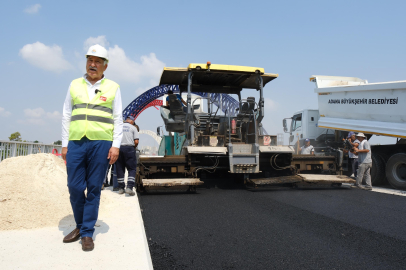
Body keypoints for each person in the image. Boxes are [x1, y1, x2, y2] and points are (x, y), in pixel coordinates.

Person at [61, 44, 123, 251]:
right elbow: (66, 115)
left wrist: (115, 146)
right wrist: (64, 144)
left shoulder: (113, 87)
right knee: (75, 186)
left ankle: (86, 232)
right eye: (90, 60)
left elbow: (118, 118)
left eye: (97, 62)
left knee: (94, 188)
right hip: (77, 142)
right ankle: (80, 225)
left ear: (105, 66)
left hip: (101, 143)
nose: (92, 64)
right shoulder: (74, 85)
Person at [116, 116, 139, 196]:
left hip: (119, 148)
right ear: (132, 121)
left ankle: (121, 188)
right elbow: (136, 141)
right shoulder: (133, 128)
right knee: (132, 168)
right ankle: (129, 187)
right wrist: (134, 148)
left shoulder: (119, 127)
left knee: (120, 168)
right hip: (129, 149)